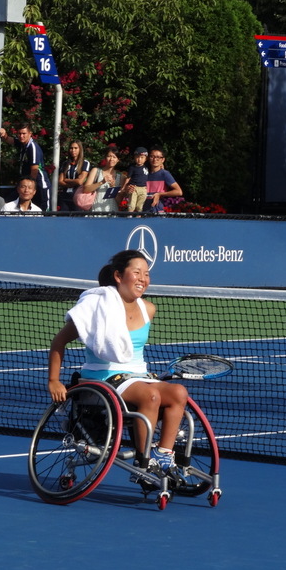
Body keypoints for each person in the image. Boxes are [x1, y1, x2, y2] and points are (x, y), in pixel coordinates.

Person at [48, 250, 188, 473]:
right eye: (137, 272)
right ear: (118, 276)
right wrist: (54, 381)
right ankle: (144, 460)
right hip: (102, 377)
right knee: (151, 396)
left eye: (147, 274)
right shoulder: (95, 308)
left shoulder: (148, 309)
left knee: (179, 392)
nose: (143, 279)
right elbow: (59, 341)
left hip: (138, 376)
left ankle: (163, 454)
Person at [0, 123, 50, 211]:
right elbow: (10, 140)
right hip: (26, 184)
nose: (21, 136)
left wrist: (30, 187)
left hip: (39, 185)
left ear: (30, 134)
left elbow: (34, 170)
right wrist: (4, 134)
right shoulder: (23, 144)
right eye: (19, 133)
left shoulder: (32, 147)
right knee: (12, 204)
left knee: (41, 211)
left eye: (24, 133)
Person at [81, 146, 126, 213]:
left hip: (112, 213)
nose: (111, 159)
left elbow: (119, 201)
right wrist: (101, 182)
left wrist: (113, 187)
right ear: (105, 158)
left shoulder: (121, 177)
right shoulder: (96, 171)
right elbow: (86, 189)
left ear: (118, 160)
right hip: (95, 211)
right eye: (109, 156)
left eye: (114, 157)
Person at [142, 146, 183, 213]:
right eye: (152, 156)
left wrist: (160, 194)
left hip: (157, 211)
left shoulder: (164, 174)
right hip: (142, 211)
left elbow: (179, 191)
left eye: (158, 157)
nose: (155, 159)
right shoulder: (144, 173)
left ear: (163, 160)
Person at [57, 141, 90, 211]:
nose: (73, 150)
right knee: (63, 216)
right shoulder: (65, 163)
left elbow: (80, 181)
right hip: (65, 196)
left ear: (80, 149)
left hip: (77, 196)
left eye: (75, 148)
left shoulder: (85, 163)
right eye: (71, 148)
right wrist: (72, 183)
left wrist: (66, 180)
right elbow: (60, 181)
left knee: (77, 216)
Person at [120, 147, 149, 213]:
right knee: (131, 206)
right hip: (134, 188)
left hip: (143, 188)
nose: (139, 159)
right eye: (137, 157)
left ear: (146, 158)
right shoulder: (132, 167)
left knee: (140, 206)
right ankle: (130, 216)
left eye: (142, 157)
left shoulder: (147, 167)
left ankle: (139, 216)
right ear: (134, 157)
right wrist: (123, 187)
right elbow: (128, 178)